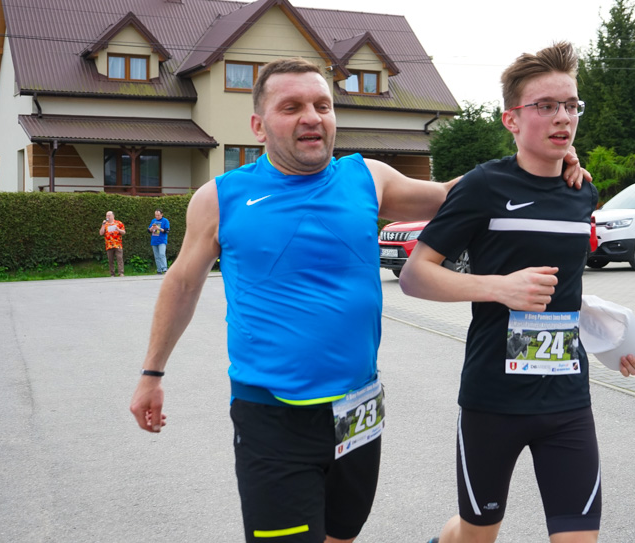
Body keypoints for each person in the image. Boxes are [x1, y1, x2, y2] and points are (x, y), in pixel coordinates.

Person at [129, 57, 589, 543]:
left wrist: (548, 162)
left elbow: (464, 194)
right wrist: (151, 373)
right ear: (258, 127)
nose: (312, 116)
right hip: (273, 413)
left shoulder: (367, 178)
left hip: (357, 406)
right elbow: (181, 283)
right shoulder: (220, 197)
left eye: (322, 105)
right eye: (292, 107)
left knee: (341, 535)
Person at [399, 42, 635, 543]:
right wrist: (499, 287)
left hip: (566, 401)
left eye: (571, 105)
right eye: (545, 106)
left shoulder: (580, 189)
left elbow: (568, 292)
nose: (563, 117)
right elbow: (414, 276)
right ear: (511, 120)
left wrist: (620, 338)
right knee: (477, 535)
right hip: (492, 401)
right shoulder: (481, 188)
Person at [99, 211, 125, 277]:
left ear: (113, 216)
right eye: (106, 215)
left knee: (119, 258)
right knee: (110, 260)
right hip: (109, 245)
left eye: (109, 215)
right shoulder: (105, 224)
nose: (108, 217)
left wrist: (118, 229)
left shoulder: (119, 223)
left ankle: (121, 273)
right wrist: (103, 225)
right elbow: (101, 233)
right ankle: (112, 274)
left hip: (118, 244)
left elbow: (124, 232)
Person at [148, 209, 170, 274]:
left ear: (161, 214)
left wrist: (159, 228)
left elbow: (167, 231)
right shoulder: (153, 220)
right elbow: (149, 230)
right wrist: (151, 229)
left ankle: (165, 269)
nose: (157, 216)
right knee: (156, 256)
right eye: (156, 215)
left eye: (158, 215)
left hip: (162, 240)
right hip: (154, 240)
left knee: (162, 254)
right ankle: (159, 270)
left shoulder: (165, 221)